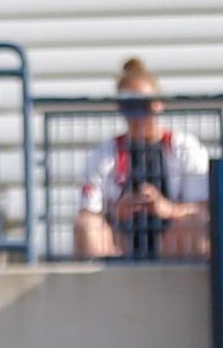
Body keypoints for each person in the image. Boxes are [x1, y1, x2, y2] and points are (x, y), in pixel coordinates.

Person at [73, 61, 211, 261]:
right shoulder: (105, 153)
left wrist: (167, 209)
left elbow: (202, 207)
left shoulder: (184, 146)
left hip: (171, 239)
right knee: (86, 225)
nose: (139, 116)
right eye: (130, 107)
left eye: (145, 106)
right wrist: (118, 211)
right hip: (122, 241)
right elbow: (89, 210)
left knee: (195, 220)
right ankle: (104, 284)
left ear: (159, 104)